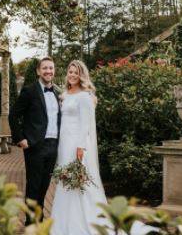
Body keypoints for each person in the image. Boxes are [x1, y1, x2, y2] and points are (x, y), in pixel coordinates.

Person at [50, 60, 157, 235]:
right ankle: (62, 223)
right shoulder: (65, 95)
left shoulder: (85, 96)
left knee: (79, 183)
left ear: (81, 75)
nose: (72, 75)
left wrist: (81, 147)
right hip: (64, 144)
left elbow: (86, 125)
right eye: (70, 72)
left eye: (76, 72)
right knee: (65, 182)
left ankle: (83, 223)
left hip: (76, 145)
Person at [9, 56, 61, 224]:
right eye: (45, 68)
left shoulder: (57, 92)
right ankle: (30, 222)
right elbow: (13, 115)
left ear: (54, 71)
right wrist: (20, 138)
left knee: (45, 185)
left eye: (51, 68)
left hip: (53, 145)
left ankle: (38, 217)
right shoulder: (29, 91)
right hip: (35, 146)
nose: (48, 71)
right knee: (33, 186)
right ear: (38, 71)